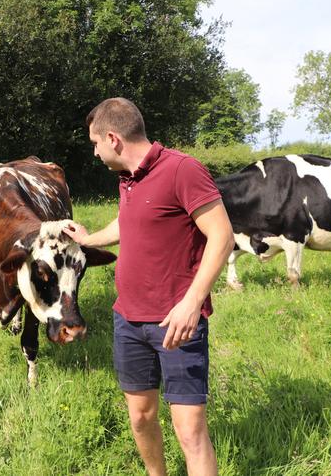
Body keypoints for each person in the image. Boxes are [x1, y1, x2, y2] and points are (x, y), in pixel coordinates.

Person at [62, 97, 234, 475]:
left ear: (113, 138)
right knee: (140, 417)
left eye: (94, 143)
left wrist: (193, 302)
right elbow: (128, 224)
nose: (94, 152)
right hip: (128, 320)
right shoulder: (127, 179)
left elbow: (222, 235)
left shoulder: (182, 170)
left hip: (177, 322)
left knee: (189, 431)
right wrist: (89, 240)